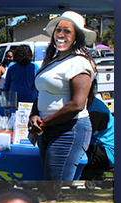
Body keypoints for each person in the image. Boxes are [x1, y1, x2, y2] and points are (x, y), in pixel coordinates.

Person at [30, 12, 97, 180]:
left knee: (56, 185)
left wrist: (44, 123)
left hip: (69, 129)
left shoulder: (79, 61)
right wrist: (34, 115)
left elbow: (77, 105)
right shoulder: (54, 60)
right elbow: (42, 93)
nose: (60, 34)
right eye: (58, 30)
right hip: (48, 129)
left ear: (77, 37)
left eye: (67, 31)